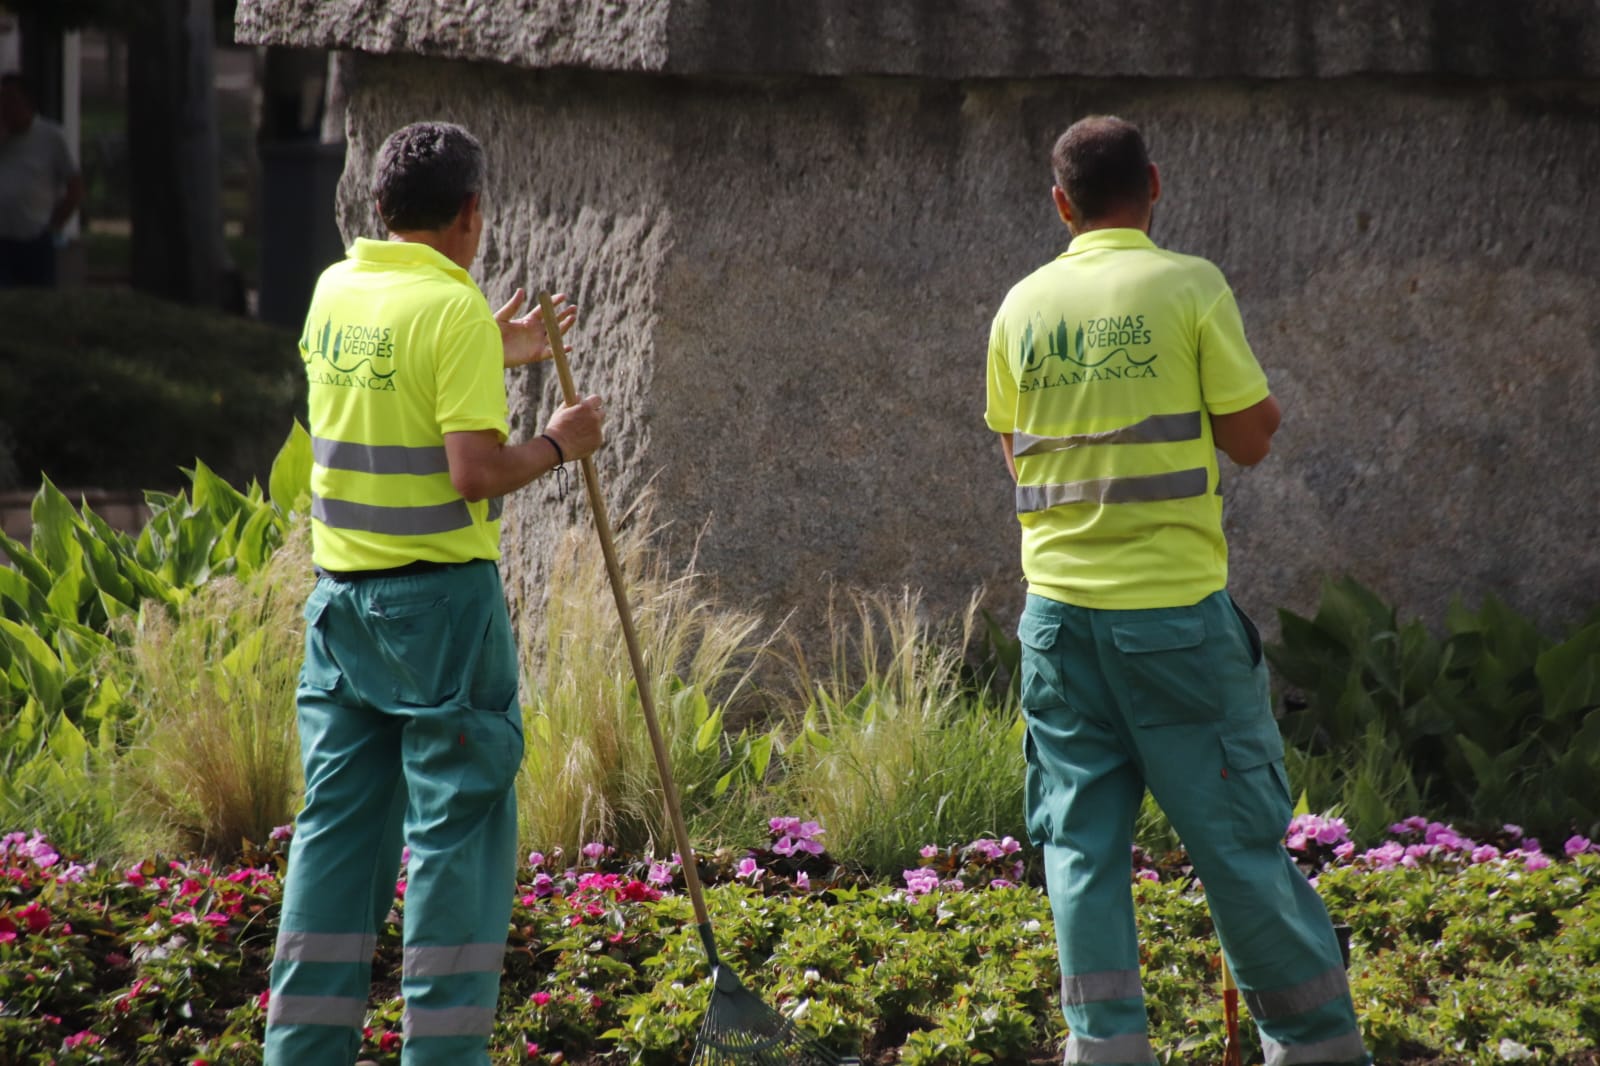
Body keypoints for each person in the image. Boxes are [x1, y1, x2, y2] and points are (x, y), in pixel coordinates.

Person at [985, 115, 1368, 1066]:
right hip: (1173, 626)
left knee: (1079, 848)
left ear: (1060, 204)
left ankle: (1106, 1049)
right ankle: (1315, 1044)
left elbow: (1017, 455)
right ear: (1153, 185)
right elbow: (1250, 436)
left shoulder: (1019, 308)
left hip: (1056, 627)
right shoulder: (1190, 284)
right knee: (1236, 840)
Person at [264, 121, 605, 1066]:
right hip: (442, 613)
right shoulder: (450, 309)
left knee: (334, 841)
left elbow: (389, 388)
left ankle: (300, 1053)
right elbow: (472, 473)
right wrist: (559, 444)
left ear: (378, 209)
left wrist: (491, 349)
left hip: (341, 609)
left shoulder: (337, 288)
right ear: (471, 215)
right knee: (457, 841)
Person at [0, 72, 83, 287]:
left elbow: (74, 186)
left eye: (11, 101)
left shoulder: (50, 137)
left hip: (34, 239)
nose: (6, 109)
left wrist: (54, 225)